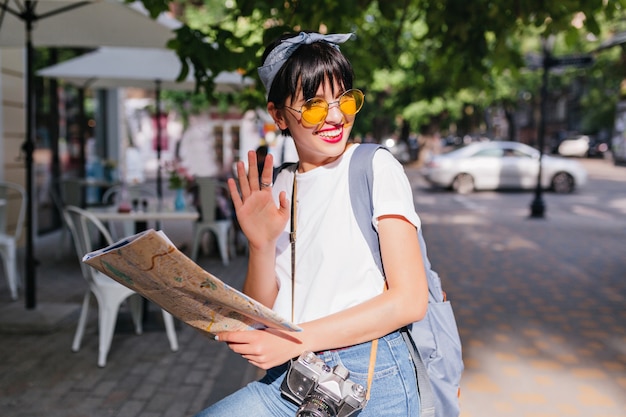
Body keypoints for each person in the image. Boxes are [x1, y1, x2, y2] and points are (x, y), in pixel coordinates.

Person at [193, 31, 428, 417]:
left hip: (371, 376)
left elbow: (410, 300)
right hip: (292, 377)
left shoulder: (373, 166)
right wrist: (260, 243)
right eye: (315, 105)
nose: (335, 117)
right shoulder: (279, 185)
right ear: (278, 114)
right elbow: (260, 310)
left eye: (345, 100)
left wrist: (295, 341)